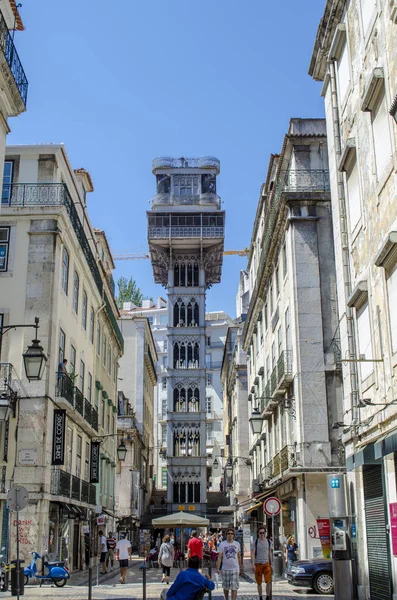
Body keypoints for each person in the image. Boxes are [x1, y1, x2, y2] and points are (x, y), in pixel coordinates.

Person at [216, 528, 241, 600]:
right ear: (226, 535)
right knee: (226, 587)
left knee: (234, 587)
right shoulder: (222, 544)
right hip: (225, 569)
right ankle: (226, 598)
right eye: (228, 533)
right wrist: (218, 568)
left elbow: (239, 556)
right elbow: (219, 557)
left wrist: (240, 567)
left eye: (231, 533)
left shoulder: (237, 544)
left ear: (234, 535)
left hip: (235, 568)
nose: (230, 535)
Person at [251, 526, 273, 600]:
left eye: (263, 533)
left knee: (268, 581)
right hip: (258, 564)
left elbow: (270, 553)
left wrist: (271, 563)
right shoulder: (255, 542)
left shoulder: (269, 542)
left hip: (266, 563)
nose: (262, 534)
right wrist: (253, 564)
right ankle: (260, 597)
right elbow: (253, 554)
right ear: (258, 534)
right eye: (260, 533)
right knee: (259, 582)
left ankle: (267, 596)